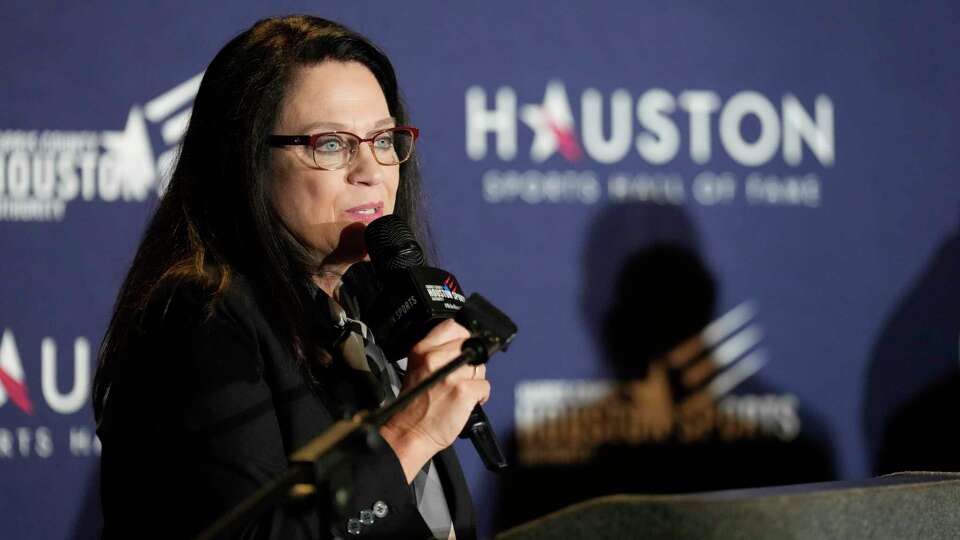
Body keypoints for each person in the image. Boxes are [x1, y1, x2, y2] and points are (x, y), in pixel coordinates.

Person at [93, 15, 489, 540]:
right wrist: (411, 433)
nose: (370, 169)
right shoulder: (200, 316)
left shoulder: (369, 308)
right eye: (330, 144)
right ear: (249, 160)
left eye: (383, 139)